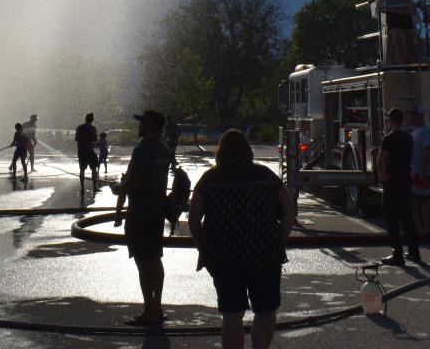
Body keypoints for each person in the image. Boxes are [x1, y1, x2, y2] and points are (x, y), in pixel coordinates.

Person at [189, 129, 294, 349]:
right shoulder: (265, 175)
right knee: (265, 310)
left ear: (221, 152)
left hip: (224, 256)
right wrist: (279, 239)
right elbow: (288, 208)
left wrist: (204, 249)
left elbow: (194, 218)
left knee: (232, 314)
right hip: (264, 253)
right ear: (248, 151)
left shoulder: (210, 179)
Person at [113, 109, 173, 326]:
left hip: (139, 214)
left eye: (142, 122)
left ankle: (149, 311)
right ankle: (157, 307)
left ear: (150, 125)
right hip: (157, 213)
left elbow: (134, 182)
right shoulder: (164, 150)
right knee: (155, 260)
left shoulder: (142, 150)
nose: (139, 126)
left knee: (143, 264)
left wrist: (120, 188)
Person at [376, 108, 420, 266]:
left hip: (392, 181)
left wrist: (382, 176)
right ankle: (414, 252)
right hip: (405, 180)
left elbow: (381, 158)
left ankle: (397, 254)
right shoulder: (408, 137)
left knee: (391, 218)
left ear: (390, 120)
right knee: (407, 216)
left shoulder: (389, 138)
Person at [409, 106, 430, 234]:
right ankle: (419, 229)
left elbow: (428, 152)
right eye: (412, 115)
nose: (412, 118)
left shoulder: (426, 132)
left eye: (415, 115)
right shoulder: (414, 131)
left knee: (424, 201)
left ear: (421, 116)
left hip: (422, 172)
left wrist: (424, 171)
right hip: (415, 171)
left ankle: (427, 229)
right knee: (414, 201)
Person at [74, 112, 100, 192]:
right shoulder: (93, 128)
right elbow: (95, 139)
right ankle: (94, 188)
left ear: (85, 119)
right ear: (92, 120)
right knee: (93, 169)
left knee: (82, 170)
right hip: (89, 151)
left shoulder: (79, 127)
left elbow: (76, 139)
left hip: (81, 151)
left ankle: (82, 188)